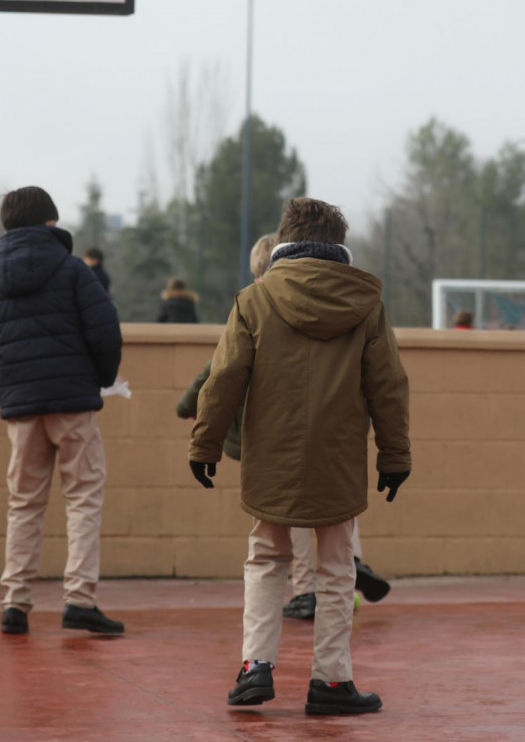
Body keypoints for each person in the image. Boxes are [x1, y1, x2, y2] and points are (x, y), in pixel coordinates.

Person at [189, 197, 411, 717]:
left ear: (285, 239)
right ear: (339, 245)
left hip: (273, 456)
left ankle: (255, 667)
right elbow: (389, 386)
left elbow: (223, 380)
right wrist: (394, 456)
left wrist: (204, 444)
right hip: (338, 460)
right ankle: (332, 683)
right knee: (337, 568)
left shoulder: (254, 300)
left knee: (266, 558)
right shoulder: (367, 304)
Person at [174, 233, 390, 622]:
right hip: (332, 439)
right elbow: (387, 384)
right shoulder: (356, 308)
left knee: (281, 527)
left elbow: (218, 373)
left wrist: (194, 420)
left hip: (268, 438)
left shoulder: (255, 304)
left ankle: (301, 597)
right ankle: (351, 571)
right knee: (339, 515)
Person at [0, 187, 125, 636]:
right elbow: (104, 331)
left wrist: (10, 395)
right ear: (50, 223)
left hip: (22, 409)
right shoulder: (73, 270)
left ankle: (15, 603)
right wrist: (97, 381)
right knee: (84, 497)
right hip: (73, 403)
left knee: (24, 504)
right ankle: (80, 599)